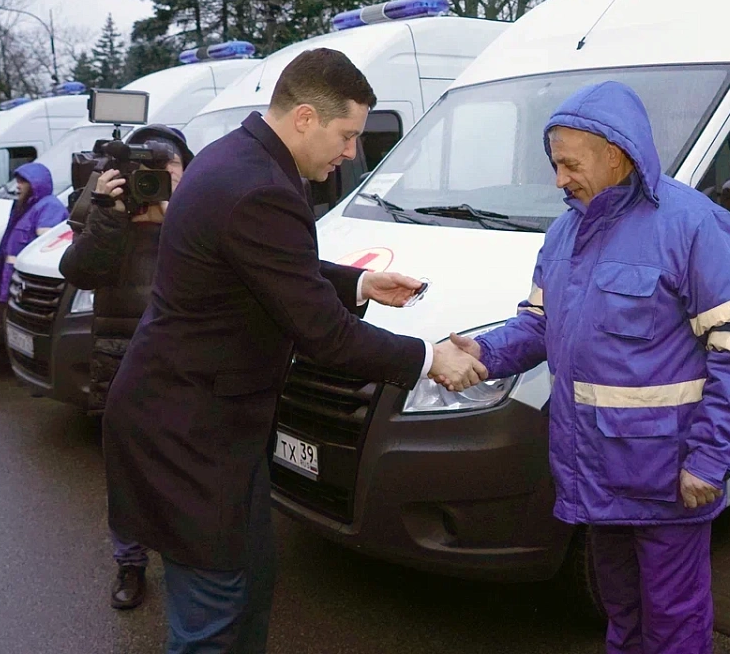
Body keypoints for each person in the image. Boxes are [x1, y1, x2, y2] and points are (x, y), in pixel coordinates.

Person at [102, 48, 485, 653]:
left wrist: (357, 282)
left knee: (249, 585)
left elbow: (264, 264)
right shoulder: (257, 184)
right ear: (306, 116)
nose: (352, 152)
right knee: (212, 617)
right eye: (348, 133)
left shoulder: (239, 158)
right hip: (191, 435)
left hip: (212, 426)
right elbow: (324, 335)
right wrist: (427, 358)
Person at [440, 81, 730, 654]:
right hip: (594, 473)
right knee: (621, 614)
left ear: (616, 155)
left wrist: (710, 459)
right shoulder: (564, 233)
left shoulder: (693, 224)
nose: (559, 179)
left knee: (673, 621)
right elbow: (540, 324)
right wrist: (485, 353)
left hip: (669, 479)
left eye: (570, 164)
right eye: (555, 163)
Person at [58, 125, 194, 612]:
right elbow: (79, 269)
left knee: (182, 469)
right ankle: (130, 561)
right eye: (152, 172)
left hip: (183, 363)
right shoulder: (105, 208)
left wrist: (179, 212)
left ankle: (185, 561)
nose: (161, 180)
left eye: (172, 169)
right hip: (121, 355)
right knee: (125, 471)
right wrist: (108, 212)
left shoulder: (201, 211)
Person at [0, 162, 68, 304]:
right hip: (15, 277)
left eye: (23, 182)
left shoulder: (49, 206)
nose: (18, 186)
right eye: (18, 181)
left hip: (28, 281)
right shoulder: (27, 207)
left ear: (35, 184)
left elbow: (46, 247)